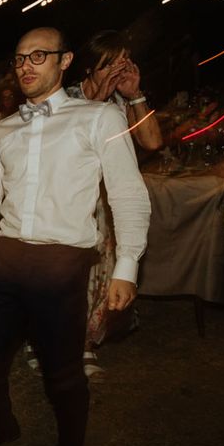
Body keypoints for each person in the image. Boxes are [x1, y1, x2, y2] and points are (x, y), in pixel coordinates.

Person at [0, 27, 150, 446]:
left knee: (62, 371)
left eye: (38, 56)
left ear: (65, 62)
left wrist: (127, 268)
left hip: (63, 261)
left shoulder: (98, 119)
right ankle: (2, 426)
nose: (26, 66)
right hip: (5, 259)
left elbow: (128, 196)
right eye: (20, 58)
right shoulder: (3, 131)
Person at [66, 30, 163, 377]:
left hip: (107, 203)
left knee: (101, 272)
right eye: (112, 65)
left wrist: (135, 94)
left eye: (125, 64)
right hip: (69, 199)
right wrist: (101, 97)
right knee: (66, 272)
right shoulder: (68, 98)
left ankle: (87, 342)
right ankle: (46, 339)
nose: (118, 72)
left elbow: (152, 141)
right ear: (92, 67)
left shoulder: (122, 102)